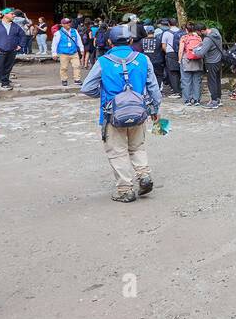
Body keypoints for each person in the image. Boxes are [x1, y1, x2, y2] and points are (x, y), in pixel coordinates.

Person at [80, 24, 162, 202]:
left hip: (112, 114)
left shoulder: (103, 61)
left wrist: (104, 95)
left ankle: (125, 189)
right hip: (140, 111)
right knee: (137, 146)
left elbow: (87, 88)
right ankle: (144, 175)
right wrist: (155, 109)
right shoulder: (143, 59)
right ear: (131, 40)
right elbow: (153, 87)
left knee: (117, 151)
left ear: (109, 42)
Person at [192, 23, 224, 109]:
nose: (198, 35)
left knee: (212, 81)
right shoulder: (215, 31)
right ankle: (218, 99)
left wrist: (194, 50)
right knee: (217, 80)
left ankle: (214, 101)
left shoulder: (207, 39)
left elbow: (201, 53)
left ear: (202, 31)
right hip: (219, 60)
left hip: (211, 62)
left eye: (198, 33)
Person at [51, 17, 85, 86]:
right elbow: (54, 43)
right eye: (67, 23)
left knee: (77, 66)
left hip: (74, 52)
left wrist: (81, 49)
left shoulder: (74, 31)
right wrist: (54, 53)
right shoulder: (58, 33)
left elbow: (79, 40)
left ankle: (77, 79)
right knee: (64, 67)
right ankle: (64, 80)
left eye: (69, 22)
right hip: (63, 53)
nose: (69, 24)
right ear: (62, 24)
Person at [178, 22, 206, 105]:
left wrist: (179, 60)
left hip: (187, 61)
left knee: (186, 81)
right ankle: (197, 99)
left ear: (186, 29)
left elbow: (181, 50)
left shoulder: (184, 37)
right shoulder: (199, 37)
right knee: (197, 81)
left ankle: (187, 100)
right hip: (198, 61)